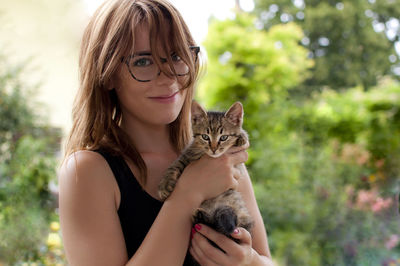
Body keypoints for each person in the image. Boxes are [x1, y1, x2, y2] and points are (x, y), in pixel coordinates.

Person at [58, 0, 273, 265]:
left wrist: (249, 260)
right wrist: (186, 194)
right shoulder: (87, 171)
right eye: (144, 61)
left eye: (176, 56)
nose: (169, 76)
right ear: (109, 74)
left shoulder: (220, 157)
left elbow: (266, 261)